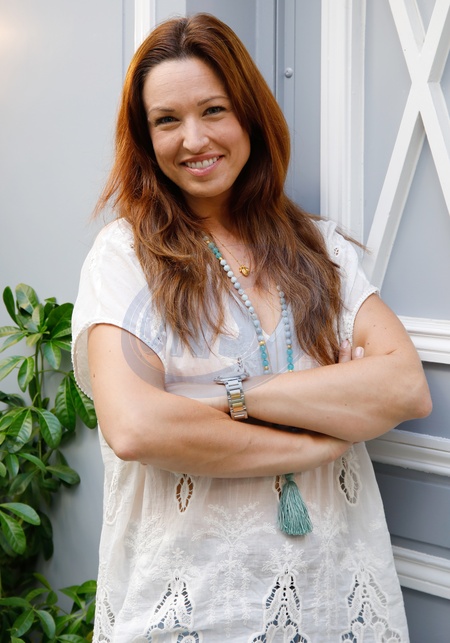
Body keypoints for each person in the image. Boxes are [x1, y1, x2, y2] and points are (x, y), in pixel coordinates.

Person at [72, 13, 431, 642]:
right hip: (191, 608)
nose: (194, 139)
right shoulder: (124, 257)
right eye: (166, 120)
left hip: (333, 598)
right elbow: (135, 426)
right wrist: (317, 437)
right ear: (145, 138)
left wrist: (228, 398)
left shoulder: (320, 248)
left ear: (250, 115)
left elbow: (405, 387)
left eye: (214, 110)